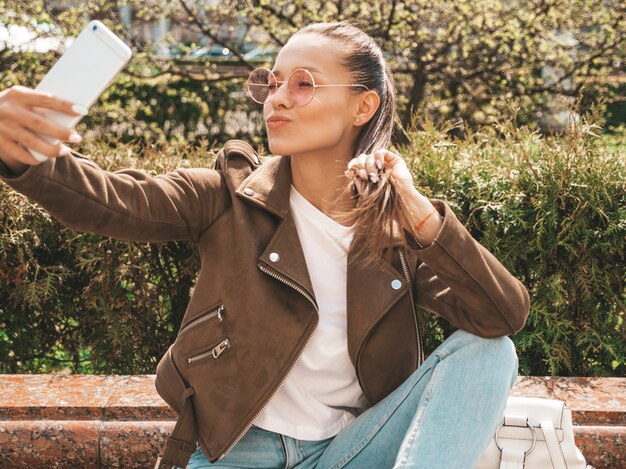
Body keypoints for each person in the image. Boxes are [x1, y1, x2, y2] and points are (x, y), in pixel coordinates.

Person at [0, 21, 529, 469]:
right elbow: (115, 201)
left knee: (491, 353)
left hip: (354, 449)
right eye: (270, 83)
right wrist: (25, 154)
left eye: (302, 83)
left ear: (363, 106)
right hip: (238, 450)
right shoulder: (226, 196)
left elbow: (501, 315)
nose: (276, 97)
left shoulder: (394, 228)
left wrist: (421, 216)